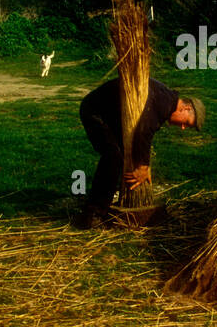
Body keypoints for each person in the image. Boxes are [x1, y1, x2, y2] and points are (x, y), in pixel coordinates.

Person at [75, 78, 204, 227]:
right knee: (113, 156)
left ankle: (104, 204)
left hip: (110, 114)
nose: (182, 127)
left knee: (120, 155)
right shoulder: (165, 102)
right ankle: (92, 214)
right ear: (186, 108)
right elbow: (143, 132)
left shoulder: (166, 99)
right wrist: (143, 166)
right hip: (95, 111)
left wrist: (144, 164)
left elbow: (144, 133)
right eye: (186, 123)